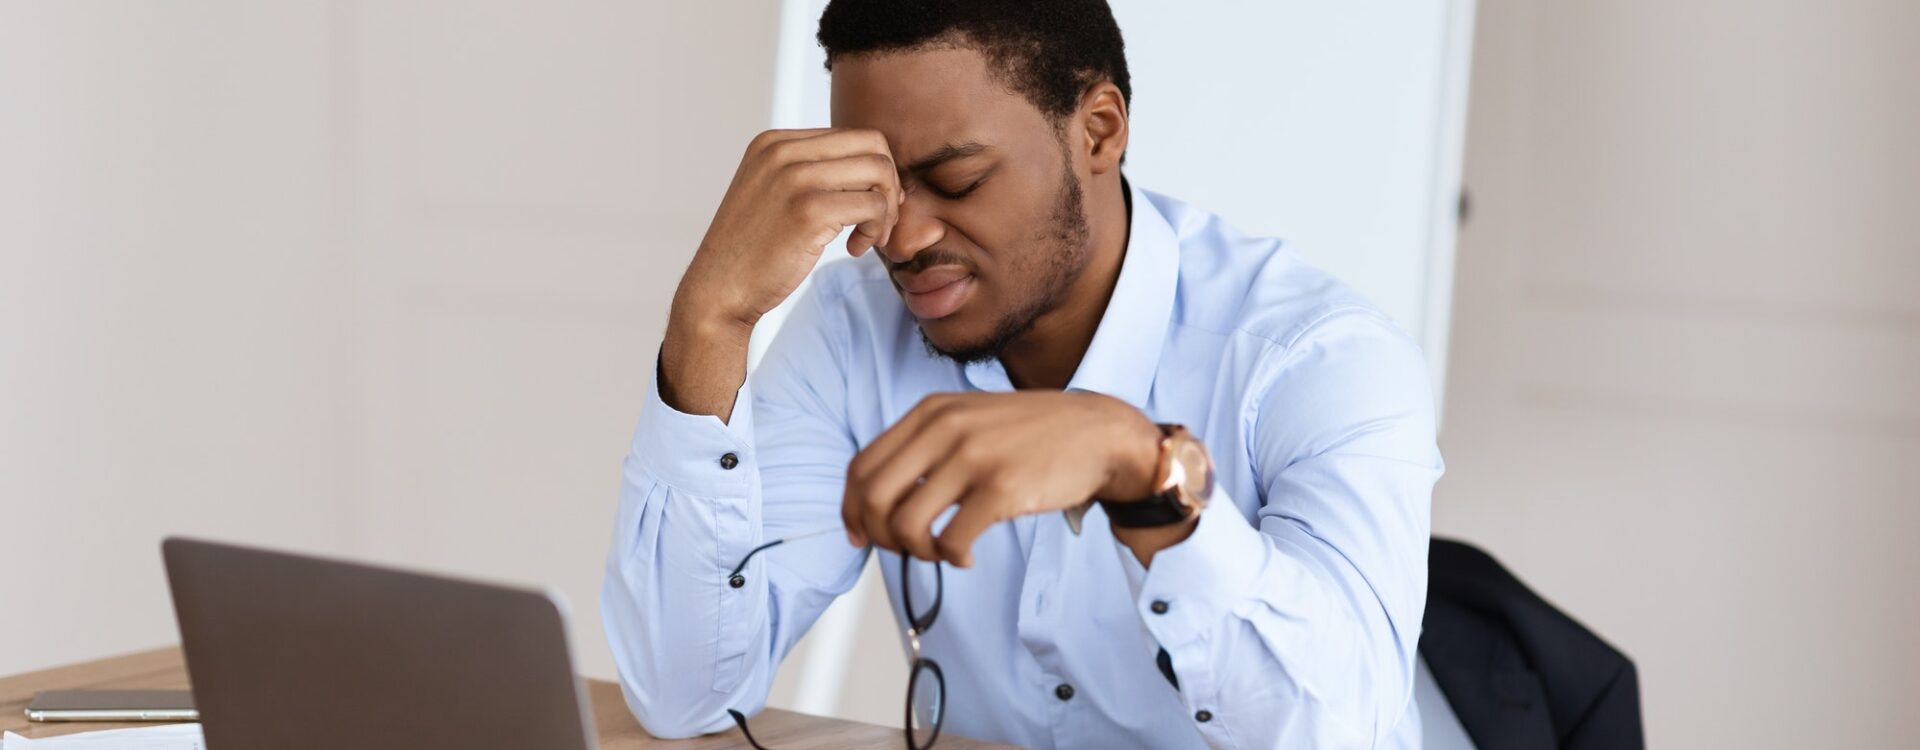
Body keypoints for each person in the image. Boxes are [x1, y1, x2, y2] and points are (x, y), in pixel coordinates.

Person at [602, 1, 1443, 747]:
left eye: (957, 180)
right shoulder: (853, 326)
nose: (901, 239)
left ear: (1099, 130)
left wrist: (1141, 468)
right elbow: (686, 697)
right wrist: (711, 319)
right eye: (880, 188)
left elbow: (1336, 731)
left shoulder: (1320, 357)